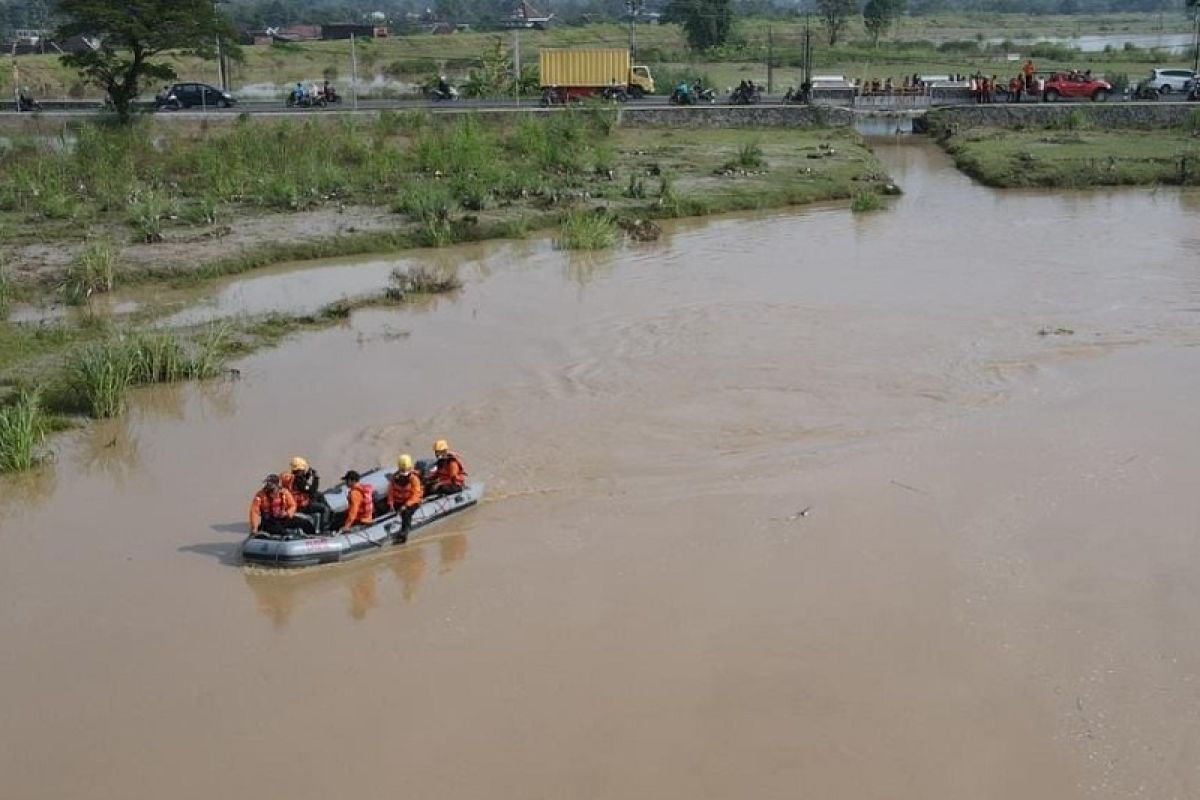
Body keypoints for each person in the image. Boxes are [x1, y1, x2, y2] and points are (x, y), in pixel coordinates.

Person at [249, 474, 315, 538]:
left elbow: (293, 505)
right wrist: (255, 527)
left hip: (283, 518)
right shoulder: (260, 495)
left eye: (270, 483)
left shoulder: (284, 492)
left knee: (306, 523)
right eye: (267, 483)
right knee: (281, 531)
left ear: (276, 484)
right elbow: (254, 512)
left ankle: (313, 538)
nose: (267, 485)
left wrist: (287, 513)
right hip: (269, 521)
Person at [281, 456, 329, 532]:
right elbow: (312, 490)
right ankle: (324, 529)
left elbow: (302, 485)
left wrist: (307, 476)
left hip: (295, 503)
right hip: (302, 506)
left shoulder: (292, 478)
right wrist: (316, 478)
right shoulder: (299, 480)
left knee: (319, 495)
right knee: (325, 509)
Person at [387, 454, 424, 542]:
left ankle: (404, 533)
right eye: (402, 470)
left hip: (411, 502)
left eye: (405, 470)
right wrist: (391, 503)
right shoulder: (394, 478)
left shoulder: (414, 479)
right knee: (382, 507)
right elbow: (390, 492)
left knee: (406, 513)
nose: (404, 472)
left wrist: (406, 505)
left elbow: (416, 495)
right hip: (398, 501)